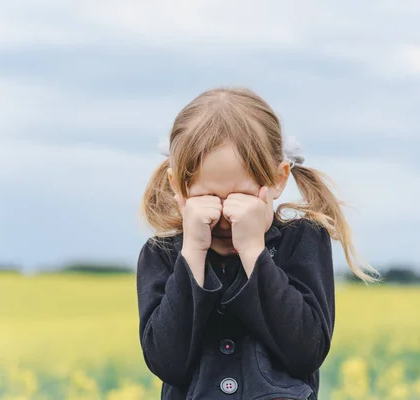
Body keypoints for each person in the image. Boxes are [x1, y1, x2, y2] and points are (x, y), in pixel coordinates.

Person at [136, 87, 380, 399]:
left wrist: (254, 251)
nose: (224, 214)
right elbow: (166, 362)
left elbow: (306, 351)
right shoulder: (163, 255)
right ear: (177, 186)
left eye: (241, 196)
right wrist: (193, 254)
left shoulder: (302, 240)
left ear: (279, 179)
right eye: (205, 197)